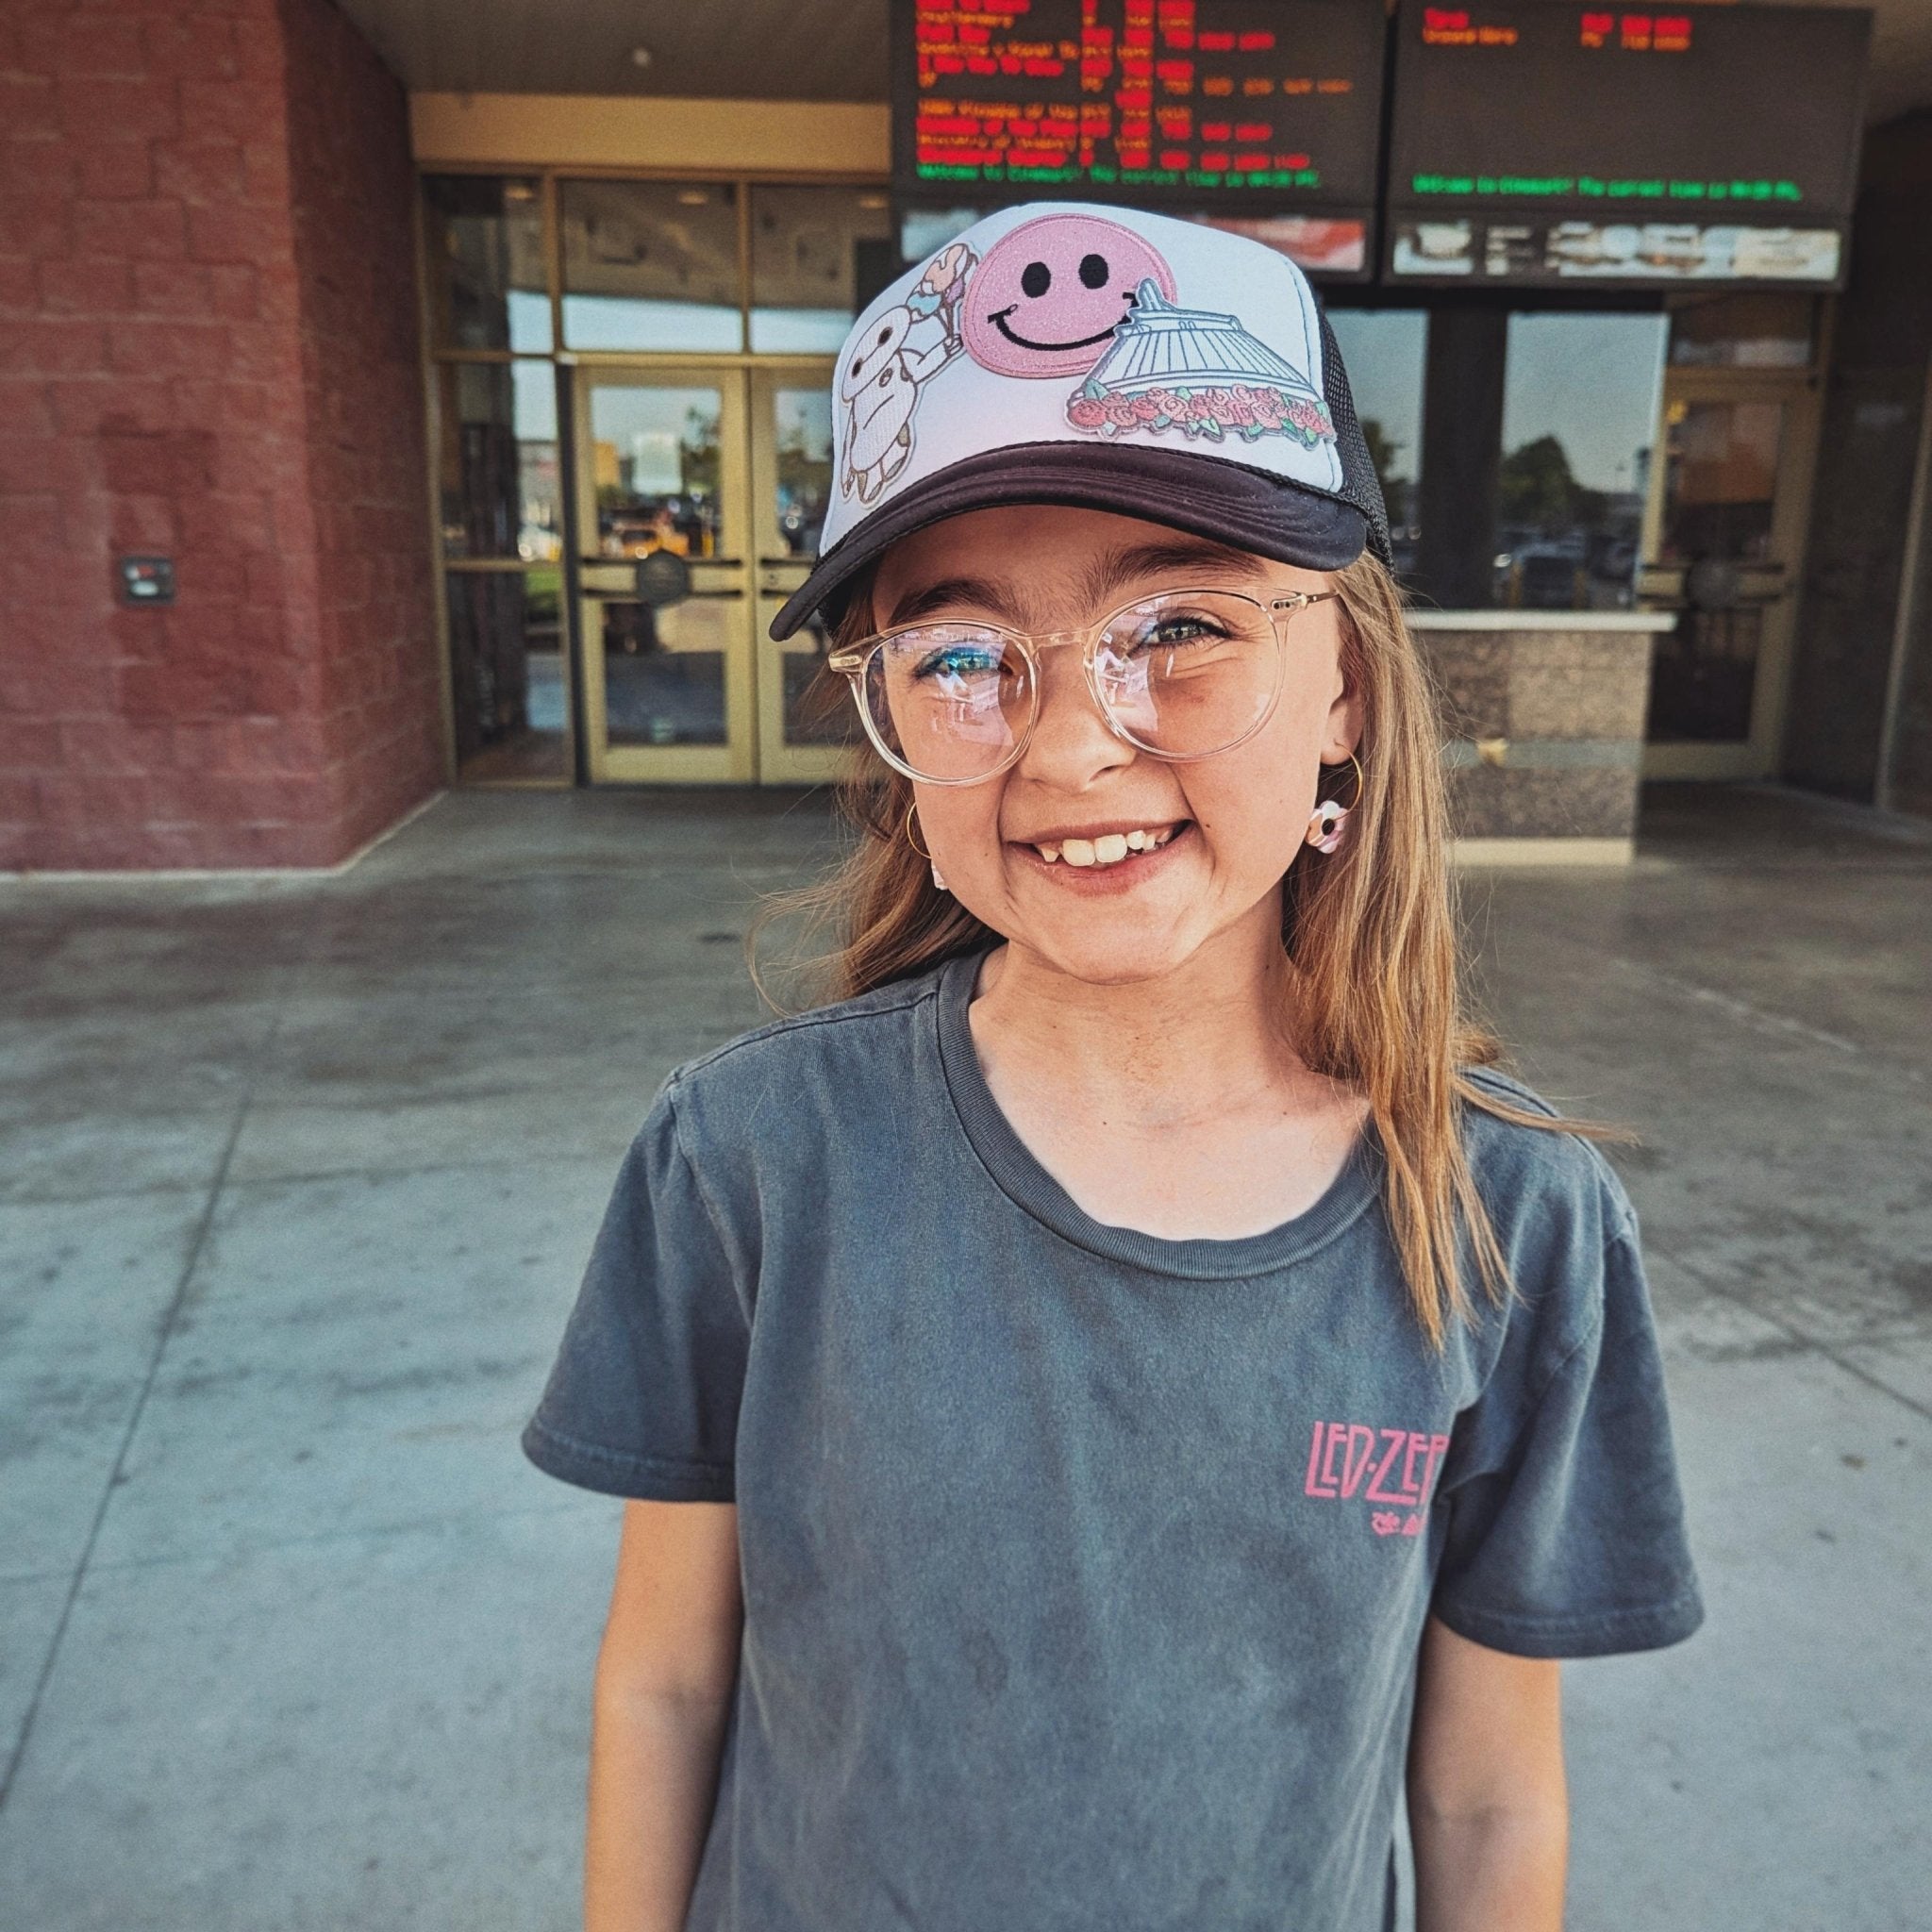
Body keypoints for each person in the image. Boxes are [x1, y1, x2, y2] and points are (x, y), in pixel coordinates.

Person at [520, 203, 1704, 1932]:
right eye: (958, 656)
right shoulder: (752, 1164)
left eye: (1185, 626)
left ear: (1349, 689)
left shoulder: (1513, 1221)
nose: (1073, 739)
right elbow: (667, 1685)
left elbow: (1487, 1789)